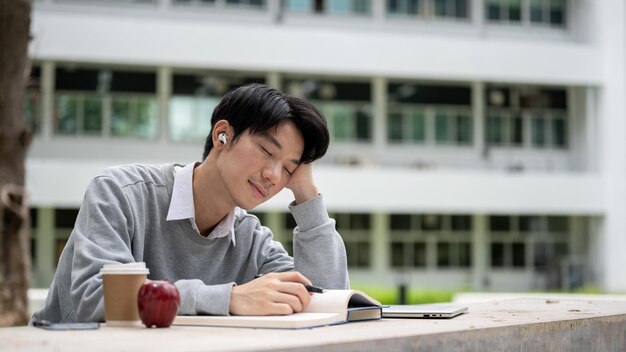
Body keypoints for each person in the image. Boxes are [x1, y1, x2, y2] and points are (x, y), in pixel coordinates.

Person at [31, 83, 349, 323]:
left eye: (289, 168)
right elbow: (94, 298)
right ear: (222, 135)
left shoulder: (251, 239)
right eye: (267, 151)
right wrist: (228, 298)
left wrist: (306, 194)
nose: (274, 176)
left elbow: (326, 302)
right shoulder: (120, 193)